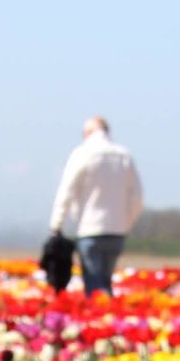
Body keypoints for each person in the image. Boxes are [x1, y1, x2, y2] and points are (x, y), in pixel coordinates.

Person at [46, 116, 143, 296]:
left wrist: (56, 226)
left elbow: (66, 191)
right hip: (117, 232)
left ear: (88, 133)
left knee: (95, 288)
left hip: (90, 229)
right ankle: (108, 315)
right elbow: (137, 197)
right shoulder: (124, 155)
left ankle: (103, 318)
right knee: (105, 280)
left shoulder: (83, 153)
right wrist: (125, 223)